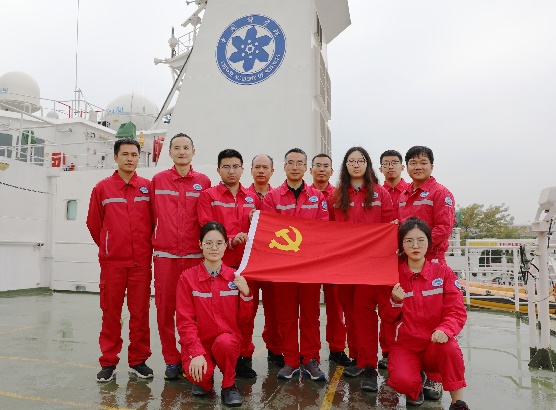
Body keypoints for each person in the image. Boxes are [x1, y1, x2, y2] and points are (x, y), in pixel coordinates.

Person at [86, 130, 154, 382]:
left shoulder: (147, 188)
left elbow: (154, 221)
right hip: (112, 263)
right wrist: (109, 246)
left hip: (140, 263)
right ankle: (108, 362)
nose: (130, 158)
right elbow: (94, 223)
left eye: (134, 154)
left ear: (139, 158)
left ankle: (138, 361)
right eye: (125, 154)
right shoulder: (102, 188)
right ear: (115, 157)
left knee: (140, 314)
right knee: (111, 313)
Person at [385, 217, 469, 410]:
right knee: (403, 382)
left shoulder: (443, 272)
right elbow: (386, 317)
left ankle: (458, 403)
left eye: (420, 240)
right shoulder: (394, 276)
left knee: (450, 347)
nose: (415, 245)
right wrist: (395, 302)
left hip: (435, 341)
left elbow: (456, 309)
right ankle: (417, 385)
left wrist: (445, 329)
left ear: (429, 243)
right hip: (407, 345)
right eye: (409, 241)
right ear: (402, 245)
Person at [329, 147, 394, 392]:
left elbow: (389, 226)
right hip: (345, 267)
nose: (356, 164)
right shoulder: (337, 195)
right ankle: (357, 357)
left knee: (365, 315)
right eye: (351, 161)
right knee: (350, 314)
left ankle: (369, 367)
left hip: (371, 267)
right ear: (345, 165)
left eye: (361, 160)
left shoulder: (380, 193)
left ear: (367, 164)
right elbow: (329, 230)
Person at [262, 148, 329, 381]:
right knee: (287, 316)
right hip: (284, 269)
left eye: (300, 163)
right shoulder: (272, 198)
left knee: (310, 316)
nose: (295, 167)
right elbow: (270, 230)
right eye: (291, 162)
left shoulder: (317, 197)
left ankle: (311, 360)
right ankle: (290, 360)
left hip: (310, 268)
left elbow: (323, 230)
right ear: (284, 167)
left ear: (306, 168)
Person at [150, 133, 211, 380]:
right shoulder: (158, 181)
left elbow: (206, 218)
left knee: (193, 312)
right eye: (177, 148)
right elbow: (148, 216)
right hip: (165, 257)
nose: (182, 152)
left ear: (193, 152)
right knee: (165, 311)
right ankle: (171, 360)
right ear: (170, 153)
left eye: (186, 148)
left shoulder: (203, 181)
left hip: (194, 257)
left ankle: (190, 356)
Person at [398, 145, 456, 399]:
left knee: (434, 319)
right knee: (411, 318)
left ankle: (435, 376)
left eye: (423, 162)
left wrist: (420, 249)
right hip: (408, 265)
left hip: (432, 264)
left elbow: (444, 227)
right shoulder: (403, 195)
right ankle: (416, 368)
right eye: (413, 162)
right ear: (407, 167)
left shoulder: (440, 193)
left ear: (432, 166)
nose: (418, 166)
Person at [175, 221, 253, 407]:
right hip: (199, 343)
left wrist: (246, 294)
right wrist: (195, 353)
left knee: (225, 343)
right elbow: (185, 321)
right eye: (208, 243)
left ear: (226, 245)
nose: (214, 248)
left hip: (226, 341)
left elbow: (244, 320)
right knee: (200, 374)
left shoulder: (235, 278)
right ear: (200, 245)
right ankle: (205, 381)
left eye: (219, 243)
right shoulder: (187, 278)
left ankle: (229, 384)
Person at [197, 149, 258, 379]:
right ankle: (214, 356)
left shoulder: (252, 198)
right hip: (219, 265)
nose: (231, 171)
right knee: (218, 314)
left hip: (246, 266)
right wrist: (230, 240)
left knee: (246, 314)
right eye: (226, 167)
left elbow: (261, 229)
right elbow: (206, 226)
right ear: (218, 170)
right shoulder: (208, 196)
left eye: (235, 166)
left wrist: (255, 220)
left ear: (243, 169)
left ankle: (244, 357)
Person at [310, 154, 350, 367]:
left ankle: (337, 348)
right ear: (311, 170)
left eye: (326, 166)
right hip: (310, 260)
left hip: (334, 261)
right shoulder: (304, 195)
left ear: (332, 171)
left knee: (336, 307)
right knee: (310, 310)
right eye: (317, 166)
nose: (321, 169)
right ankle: (310, 352)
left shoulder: (340, 196)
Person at [246, 154, 284, 367]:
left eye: (265, 167)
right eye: (257, 167)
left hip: (272, 264)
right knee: (246, 311)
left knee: (275, 311)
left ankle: (275, 350)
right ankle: (244, 353)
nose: (261, 171)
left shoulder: (278, 197)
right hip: (248, 263)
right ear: (250, 170)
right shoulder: (242, 197)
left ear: (272, 171)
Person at [377, 149, 410, 370]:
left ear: (402, 167)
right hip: (384, 260)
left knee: (407, 307)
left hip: (407, 259)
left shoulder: (411, 192)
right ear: (380, 169)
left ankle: (406, 350)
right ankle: (388, 352)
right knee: (387, 308)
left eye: (394, 162)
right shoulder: (376, 194)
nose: (390, 167)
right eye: (386, 163)